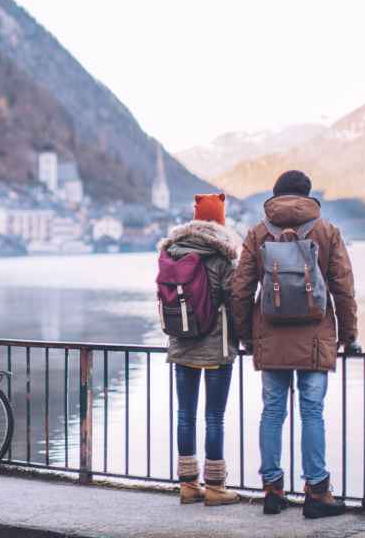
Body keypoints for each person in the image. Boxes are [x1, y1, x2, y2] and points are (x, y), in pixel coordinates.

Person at [230, 170, 359, 519]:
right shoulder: (327, 231)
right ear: (307, 195)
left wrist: (244, 335)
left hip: (270, 338)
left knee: (272, 411)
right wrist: (349, 335)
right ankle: (317, 492)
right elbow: (343, 287)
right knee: (312, 412)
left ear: (275, 196)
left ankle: (272, 490)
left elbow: (241, 290)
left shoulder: (258, 233)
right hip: (315, 338)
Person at [158, 193, 241, 506]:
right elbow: (235, 302)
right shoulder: (221, 258)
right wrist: (242, 337)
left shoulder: (171, 252)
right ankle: (217, 487)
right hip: (217, 347)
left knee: (185, 415)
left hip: (181, 344)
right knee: (214, 417)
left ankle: (188, 485)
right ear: (220, 220)